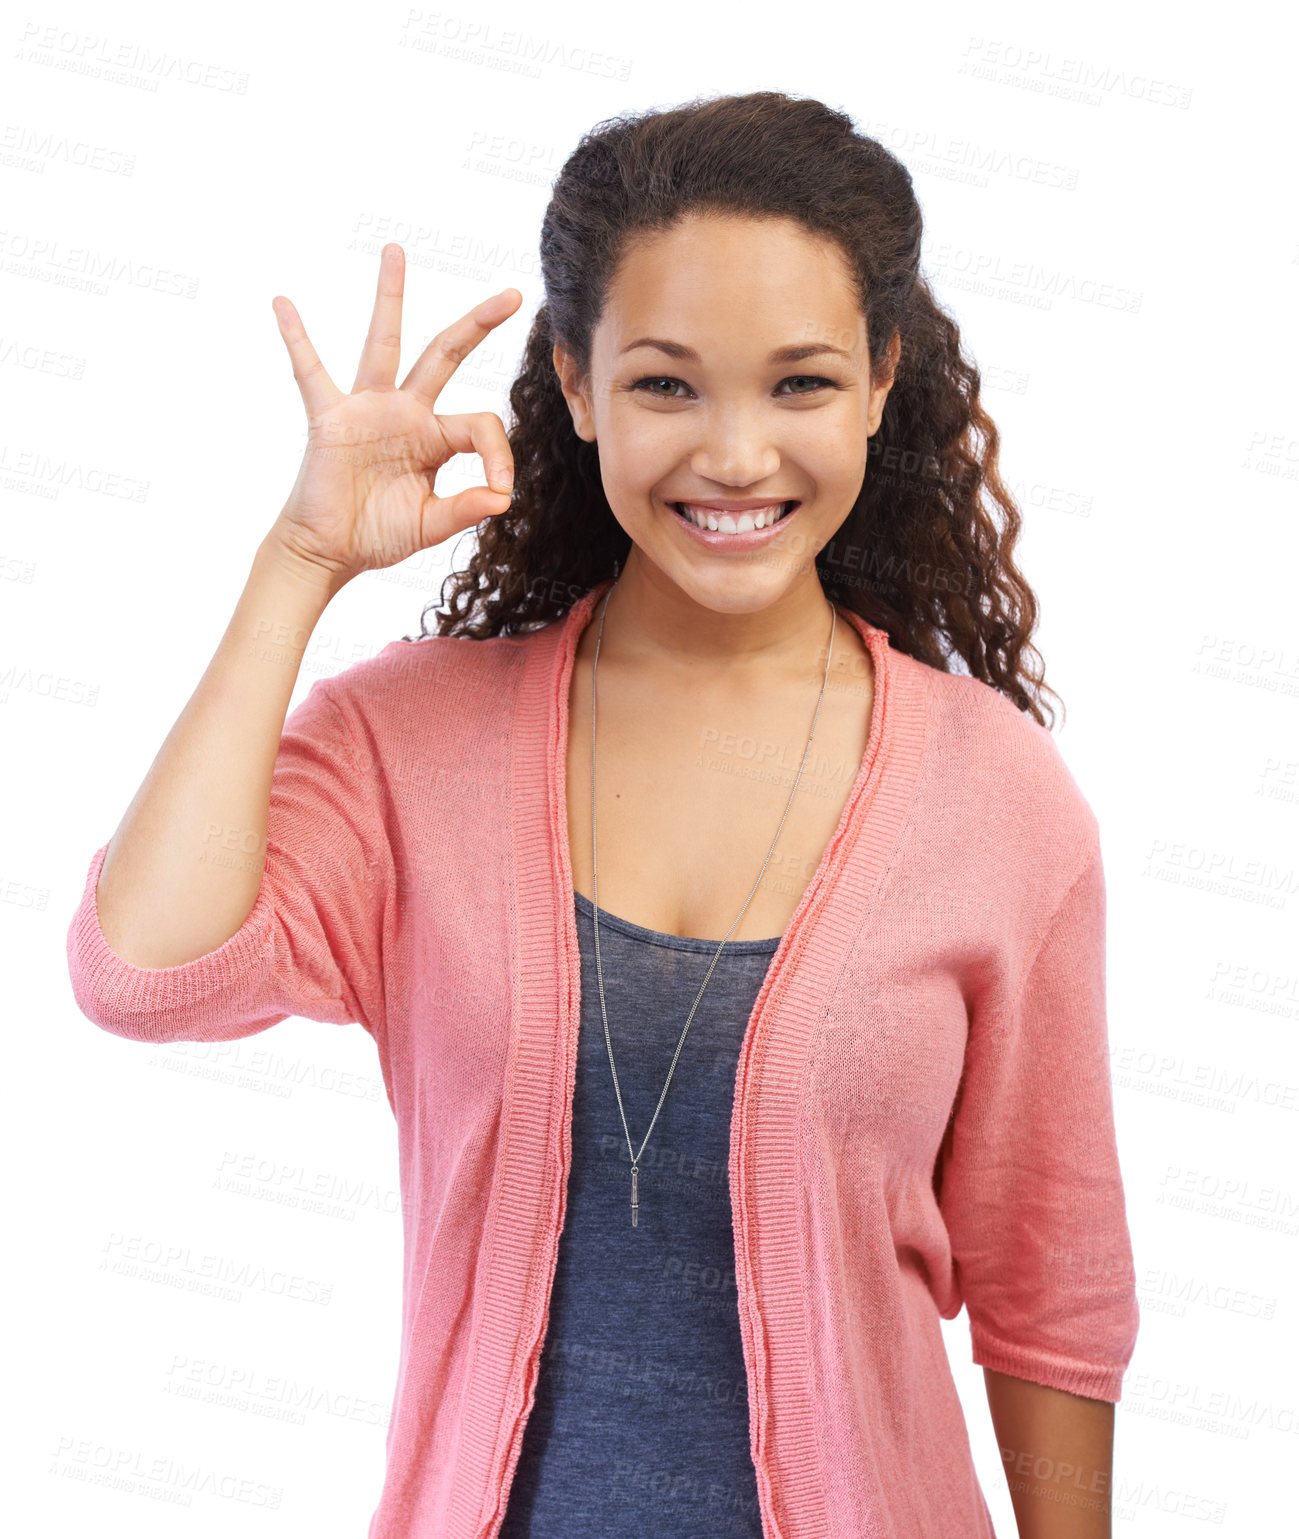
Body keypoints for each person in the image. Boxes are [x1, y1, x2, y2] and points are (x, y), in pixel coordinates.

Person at [67, 91, 1139, 1539]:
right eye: (667, 386)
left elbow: (1049, 1288)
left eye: (802, 385)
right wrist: (301, 560)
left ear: (885, 381)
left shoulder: (997, 798)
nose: (739, 456)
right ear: (574, 386)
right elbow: (143, 972)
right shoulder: (413, 742)